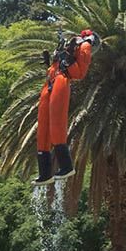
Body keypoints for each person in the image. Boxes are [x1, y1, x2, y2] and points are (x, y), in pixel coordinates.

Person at [33, 29, 99, 184]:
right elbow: (55, 67)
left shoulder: (84, 46)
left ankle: (66, 166)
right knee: (43, 127)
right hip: (51, 81)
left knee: (56, 123)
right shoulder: (70, 46)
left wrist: (68, 59)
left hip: (61, 80)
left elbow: (79, 73)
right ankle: (45, 173)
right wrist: (53, 61)